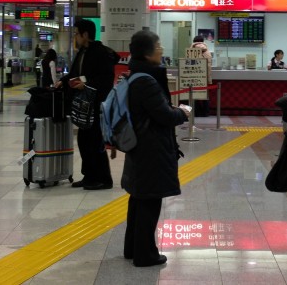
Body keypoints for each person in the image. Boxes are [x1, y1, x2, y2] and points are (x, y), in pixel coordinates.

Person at [122, 30, 188, 267]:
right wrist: (183, 112)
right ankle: (145, 254)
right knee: (150, 200)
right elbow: (164, 115)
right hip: (151, 148)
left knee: (139, 199)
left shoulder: (134, 75)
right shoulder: (147, 80)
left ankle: (132, 248)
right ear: (147, 52)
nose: (161, 50)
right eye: (158, 46)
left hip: (139, 146)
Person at [57, 18, 118, 190]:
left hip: (96, 104)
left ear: (85, 34)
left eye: (76, 33)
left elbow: (106, 80)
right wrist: (63, 81)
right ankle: (89, 175)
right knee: (84, 141)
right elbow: (75, 73)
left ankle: (104, 179)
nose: (75, 37)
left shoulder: (100, 53)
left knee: (95, 141)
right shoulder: (83, 52)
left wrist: (88, 84)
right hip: (83, 103)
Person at [189, 35, 212, 117]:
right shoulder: (207, 51)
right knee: (205, 95)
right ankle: (205, 112)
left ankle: (196, 112)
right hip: (204, 76)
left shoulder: (191, 50)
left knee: (194, 94)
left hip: (194, 75)